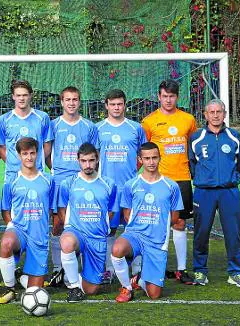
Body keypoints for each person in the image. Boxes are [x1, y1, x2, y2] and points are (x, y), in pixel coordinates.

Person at [141, 79, 197, 284]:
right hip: (158, 180)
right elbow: (144, 150)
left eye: (172, 96)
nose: (168, 100)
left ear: (177, 97)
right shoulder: (148, 121)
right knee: (154, 222)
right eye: (164, 96)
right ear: (159, 96)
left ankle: (181, 269)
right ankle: (155, 267)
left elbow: (193, 145)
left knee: (179, 223)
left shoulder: (188, 119)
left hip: (182, 178)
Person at [111, 142, 183, 302]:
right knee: (117, 249)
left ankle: (139, 279)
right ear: (140, 159)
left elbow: (175, 217)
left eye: (154, 158)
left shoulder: (171, 186)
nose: (151, 162)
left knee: (154, 295)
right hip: (135, 235)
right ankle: (126, 288)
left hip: (157, 242)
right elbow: (127, 214)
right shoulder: (131, 185)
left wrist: (156, 225)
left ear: (160, 158)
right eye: (147, 158)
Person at [189, 99, 240, 287]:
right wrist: (204, 180)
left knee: (233, 233)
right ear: (205, 115)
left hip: (229, 192)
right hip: (204, 192)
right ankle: (199, 271)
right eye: (211, 112)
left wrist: (230, 179)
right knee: (201, 232)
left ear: (224, 114)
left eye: (219, 111)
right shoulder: (196, 137)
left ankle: (236, 272)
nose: (215, 115)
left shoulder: (234, 136)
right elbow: (192, 164)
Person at [48, 86, 99, 287]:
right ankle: (57, 268)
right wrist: (57, 170)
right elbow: (46, 153)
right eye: (67, 99)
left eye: (75, 99)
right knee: (58, 224)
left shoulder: (88, 127)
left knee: (83, 222)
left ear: (79, 102)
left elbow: (95, 155)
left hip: (82, 181)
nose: (71, 103)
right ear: (61, 102)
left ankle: (81, 266)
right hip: (60, 181)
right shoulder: (52, 125)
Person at [0, 137, 54, 304]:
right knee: (6, 242)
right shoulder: (11, 182)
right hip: (19, 230)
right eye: (25, 154)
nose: (29, 157)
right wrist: (11, 226)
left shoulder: (48, 180)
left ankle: (21, 277)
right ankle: (10, 289)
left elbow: (51, 209)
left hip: (39, 237)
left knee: (35, 291)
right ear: (19, 155)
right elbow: (5, 210)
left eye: (32, 153)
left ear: (38, 154)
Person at [96, 89, 147, 283]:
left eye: (120, 104)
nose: (117, 107)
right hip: (108, 190)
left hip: (130, 188)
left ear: (125, 105)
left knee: (133, 227)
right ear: (107, 105)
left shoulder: (135, 128)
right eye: (113, 104)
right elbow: (93, 156)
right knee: (109, 229)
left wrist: (133, 173)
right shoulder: (98, 128)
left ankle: (137, 268)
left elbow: (143, 155)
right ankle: (109, 269)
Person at [57, 143, 118, 302]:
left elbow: (111, 210)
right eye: (83, 161)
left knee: (91, 290)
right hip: (76, 232)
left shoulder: (109, 184)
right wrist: (69, 228)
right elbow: (62, 209)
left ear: (97, 160)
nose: (88, 165)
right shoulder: (68, 183)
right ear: (78, 160)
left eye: (91, 160)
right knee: (67, 242)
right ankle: (74, 287)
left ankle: (72, 274)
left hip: (96, 238)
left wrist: (99, 224)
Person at [0, 79, 53, 184]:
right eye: (18, 95)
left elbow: (47, 144)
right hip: (12, 175)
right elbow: (2, 147)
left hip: (37, 174)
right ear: (13, 96)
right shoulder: (4, 120)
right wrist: (15, 164)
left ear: (30, 96)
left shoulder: (42, 117)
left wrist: (33, 163)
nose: (21, 98)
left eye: (25, 95)